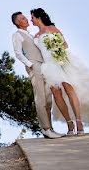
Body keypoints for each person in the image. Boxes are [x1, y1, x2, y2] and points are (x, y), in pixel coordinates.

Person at [30, 7, 89, 136]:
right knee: (56, 94)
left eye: (32, 17)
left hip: (61, 62)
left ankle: (79, 122)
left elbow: (65, 45)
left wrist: (57, 49)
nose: (31, 20)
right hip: (49, 66)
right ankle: (70, 123)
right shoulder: (35, 36)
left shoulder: (53, 29)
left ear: (38, 17)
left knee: (69, 89)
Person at [11, 11, 62, 139]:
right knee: (40, 97)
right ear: (17, 22)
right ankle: (45, 128)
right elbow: (18, 53)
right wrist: (30, 65)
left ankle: (50, 128)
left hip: (44, 66)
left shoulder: (31, 35)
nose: (26, 19)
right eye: (23, 18)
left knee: (48, 98)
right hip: (34, 65)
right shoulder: (17, 35)